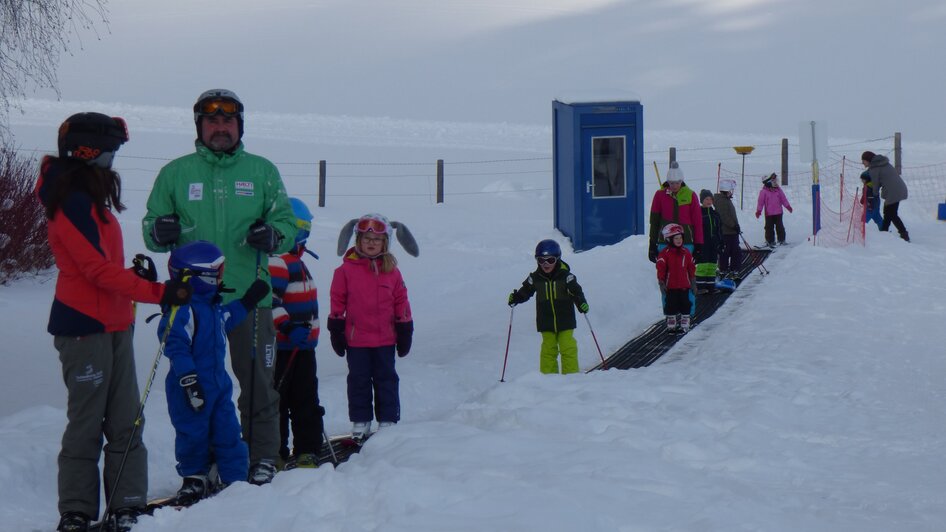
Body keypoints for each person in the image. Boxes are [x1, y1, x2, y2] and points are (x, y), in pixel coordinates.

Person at [35, 112, 192, 532]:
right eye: (110, 152)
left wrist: (135, 281)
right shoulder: (69, 201)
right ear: (87, 152)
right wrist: (160, 292)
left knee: (126, 420)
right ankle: (77, 510)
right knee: (87, 422)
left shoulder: (88, 196)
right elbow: (94, 270)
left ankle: (126, 504)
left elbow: (107, 267)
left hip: (116, 322)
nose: (113, 160)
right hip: (82, 326)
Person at [142, 89, 298, 485]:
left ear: (239, 125)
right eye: (212, 120)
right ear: (200, 126)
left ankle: (262, 456)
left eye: (228, 121)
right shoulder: (175, 173)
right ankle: (206, 459)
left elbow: (286, 224)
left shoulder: (262, 171)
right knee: (197, 383)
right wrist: (160, 231)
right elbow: (151, 228)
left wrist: (273, 235)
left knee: (258, 383)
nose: (221, 127)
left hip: (250, 295)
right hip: (191, 304)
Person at [160, 241, 269, 505]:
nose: (221, 278)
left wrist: (248, 301)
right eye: (218, 273)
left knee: (228, 431)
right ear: (201, 277)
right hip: (190, 386)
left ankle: (235, 478)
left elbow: (229, 317)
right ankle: (194, 476)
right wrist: (189, 379)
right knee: (193, 432)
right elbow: (175, 345)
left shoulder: (213, 307)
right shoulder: (182, 310)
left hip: (219, 386)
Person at [329, 213, 418, 440]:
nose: (371, 243)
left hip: (386, 339)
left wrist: (405, 328)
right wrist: (336, 327)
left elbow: (401, 301)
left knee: (386, 378)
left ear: (385, 243)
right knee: (358, 380)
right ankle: (361, 420)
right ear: (357, 241)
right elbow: (337, 299)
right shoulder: (344, 271)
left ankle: (388, 419)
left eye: (376, 240)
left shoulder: (392, 272)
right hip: (356, 340)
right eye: (366, 238)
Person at [269, 198, 325, 469]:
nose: (304, 237)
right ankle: (276, 451)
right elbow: (271, 301)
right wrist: (287, 327)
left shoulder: (295, 261)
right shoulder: (279, 261)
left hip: (303, 348)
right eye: (302, 230)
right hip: (284, 348)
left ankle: (307, 448)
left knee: (305, 399)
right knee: (279, 399)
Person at [508, 239, 590, 374]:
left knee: (567, 347)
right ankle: (549, 379)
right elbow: (526, 290)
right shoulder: (535, 278)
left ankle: (571, 377)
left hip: (565, 319)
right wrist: (517, 298)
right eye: (541, 260)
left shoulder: (566, 277)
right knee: (548, 350)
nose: (545, 264)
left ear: (557, 259)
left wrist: (581, 302)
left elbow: (576, 291)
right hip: (545, 320)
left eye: (550, 260)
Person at [648, 161, 703, 264]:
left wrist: (699, 244)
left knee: (683, 271)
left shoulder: (691, 195)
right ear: (668, 182)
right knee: (666, 273)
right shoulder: (660, 195)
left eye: (677, 183)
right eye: (671, 183)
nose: (674, 186)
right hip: (665, 242)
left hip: (686, 242)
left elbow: (697, 222)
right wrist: (652, 244)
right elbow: (654, 222)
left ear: (681, 181)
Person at [655, 224, 696, 333]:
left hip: (684, 285)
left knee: (685, 303)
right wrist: (661, 282)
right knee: (671, 304)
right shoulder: (665, 254)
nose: (679, 240)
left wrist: (693, 282)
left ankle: (685, 320)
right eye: (676, 238)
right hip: (671, 286)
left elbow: (691, 267)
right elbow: (661, 268)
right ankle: (671, 321)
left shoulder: (686, 253)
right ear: (669, 239)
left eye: (680, 238)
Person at [861, 151, 909, 241]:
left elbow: (875, 184)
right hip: (899, 188)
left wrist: (873, 195)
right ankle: (884, 232)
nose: (863, 163)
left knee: (892, 214)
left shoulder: (874, 168)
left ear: (868, 160)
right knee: (888, 212)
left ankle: (904, 234)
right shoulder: (882, 163)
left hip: (893, 191)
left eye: (863, 161)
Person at [714, 178, 742, 279]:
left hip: (732, 232)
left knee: (735, 252)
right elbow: (724, 216)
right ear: (726, 191)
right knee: (726, 252)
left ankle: (734, 270)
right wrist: (733, 225)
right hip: (727, 232)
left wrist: (735, 226)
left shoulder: (726, 200)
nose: (732, 193)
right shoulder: (722, 201)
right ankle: (724, 270)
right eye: (731, 190)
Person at [755, 173, 793, 247]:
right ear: (768, 183)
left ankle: (781, 240)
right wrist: (759, 211)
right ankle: (770, 241)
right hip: (769, 214)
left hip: (779, 213)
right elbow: (760, 203)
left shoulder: (778, 190)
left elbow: (783, 199)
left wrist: (788, 206)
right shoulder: (763, 192)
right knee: (769, 227)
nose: (776, 183)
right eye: (774, 181)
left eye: (776, 181)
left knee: (780, 227)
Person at [695, 189, 722, 293]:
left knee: (712, 264)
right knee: (703, 264)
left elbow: (719, 228)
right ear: (702, 200)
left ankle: (711, 286)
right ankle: (701, 286)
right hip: (703, 243)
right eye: (706, 199)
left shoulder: (715, 214)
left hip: (714, 242)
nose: (709, 201)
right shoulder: (699, 213)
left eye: (710, 199)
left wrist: (721, 241)